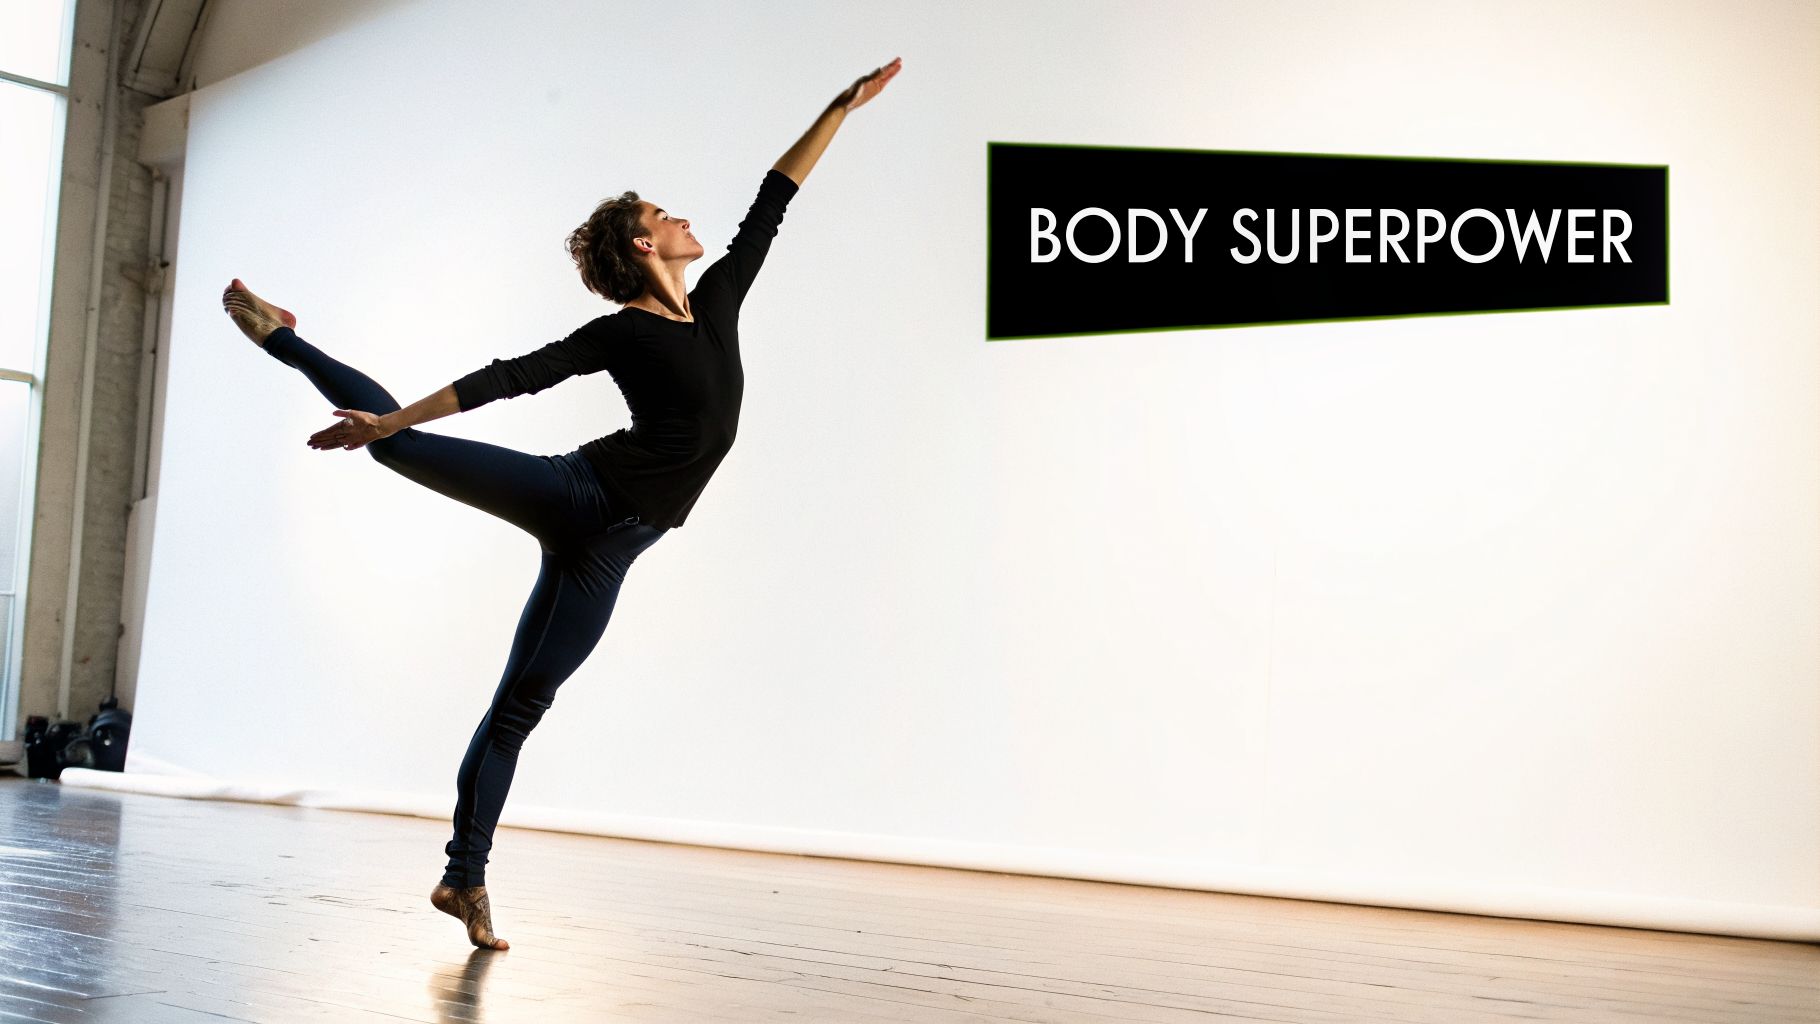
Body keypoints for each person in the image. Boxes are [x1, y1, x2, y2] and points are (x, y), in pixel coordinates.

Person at [219, 57, 902, 950]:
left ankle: (462, 881)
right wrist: (390, 420)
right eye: (665, 215)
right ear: (644, 248)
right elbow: (510, 379)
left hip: (609, 554)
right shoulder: (618, 333)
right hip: (576, 493)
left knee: (516, 711)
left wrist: (837, 108)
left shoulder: (721, 301)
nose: (683, 218)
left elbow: (773, 199)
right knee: (397, 445)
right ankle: (285, 342)